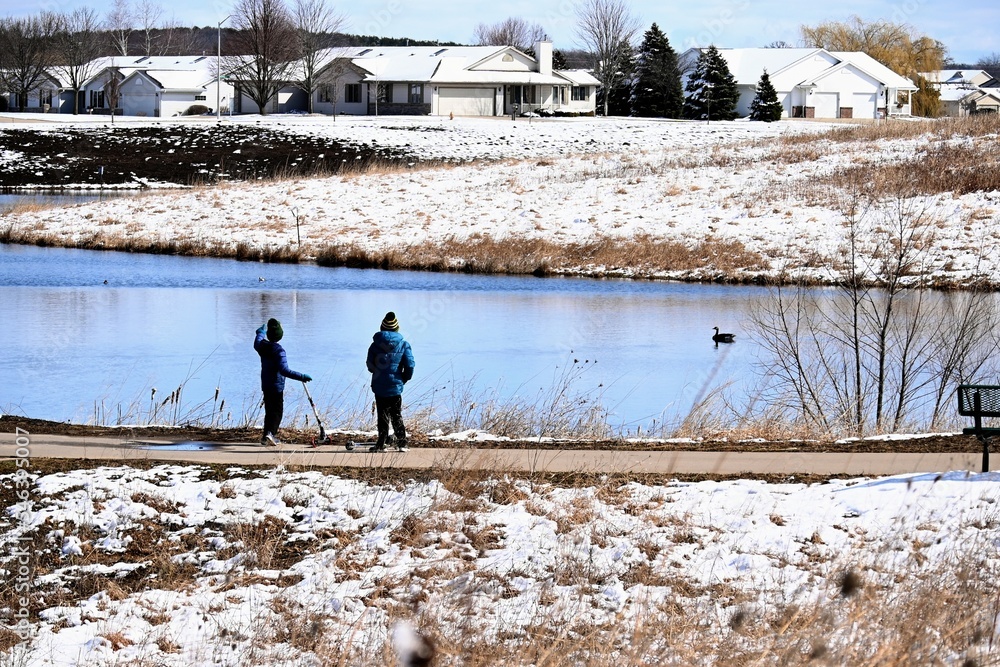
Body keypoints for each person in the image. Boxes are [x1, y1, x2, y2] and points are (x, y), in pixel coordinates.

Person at [254, 318, 311, 446]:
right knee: (277, 411)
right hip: (276, 386)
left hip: (266, 384)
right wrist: (301, 376)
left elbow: (257, 342)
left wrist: (260, 333)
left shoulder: (263, 346)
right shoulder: (279, 351)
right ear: (280, 335)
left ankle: (265, 436)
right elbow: (284, 370)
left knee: (269, 410)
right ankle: (270, 434)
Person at [366, 311, 415, 451]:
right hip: (395, 386)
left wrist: (377, 373)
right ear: (397, 328)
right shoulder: (404, 345)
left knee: (382, 415)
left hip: (379, 385)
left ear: (382, 327)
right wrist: (404, 378)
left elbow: (369, 365)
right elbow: (410, 365)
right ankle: (402, 443)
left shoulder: (374, 345)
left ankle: (381, 443)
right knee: (396, 414)